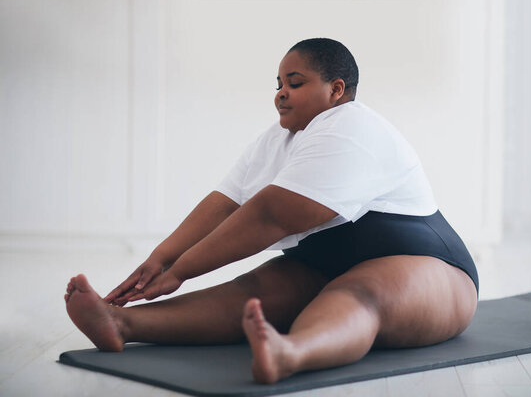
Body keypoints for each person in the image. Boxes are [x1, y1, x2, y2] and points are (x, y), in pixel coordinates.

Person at [64, 38, 479, 385]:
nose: (281, 92)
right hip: (324, 264)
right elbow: (224, 204)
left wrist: (180, 271)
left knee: (357, 293)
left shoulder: (353, 128)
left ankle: (290, 352)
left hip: (429, 270)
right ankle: (121, 324)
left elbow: (271, 216)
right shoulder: (277, 140)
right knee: (249, 293)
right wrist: (159, 260)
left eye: (295, 83)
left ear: (336, 89)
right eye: (279, 83)